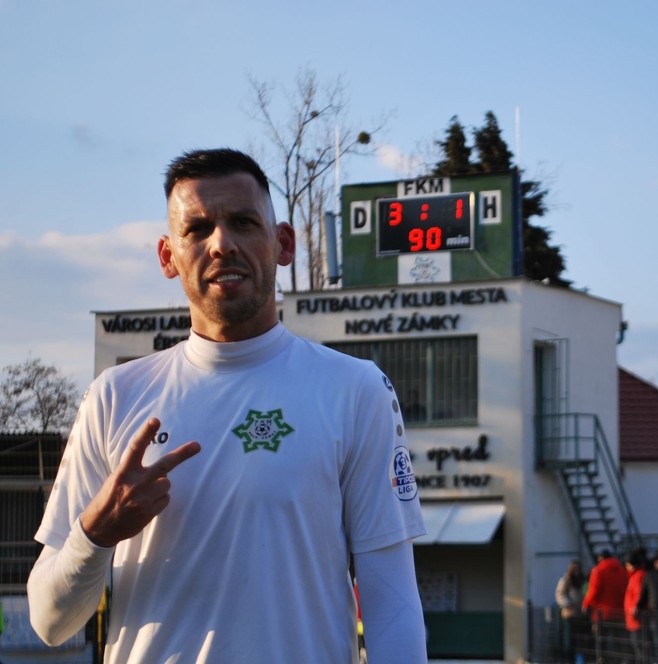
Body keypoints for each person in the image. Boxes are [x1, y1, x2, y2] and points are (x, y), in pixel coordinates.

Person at [26, 148, 428, 663]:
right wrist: (95, 533)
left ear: (282, 244)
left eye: (242, 222)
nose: (222, 244)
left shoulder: (354, 389)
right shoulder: (115, 396)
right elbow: (49, 622)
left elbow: (392, 602)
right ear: (168, 256)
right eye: (197, 229)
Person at [583, 549, 629, 660]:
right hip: (620, 612)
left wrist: (585, 604)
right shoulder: (623, 571)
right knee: (619, 641)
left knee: (601, 642)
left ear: (601, 558)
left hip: (602, 613)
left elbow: (593, 591)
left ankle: (604, 660)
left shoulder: (598, 570)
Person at [556, 559, 585, 662]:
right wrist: (567, 603)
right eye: (575, 569)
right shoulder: (565, 580)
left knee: (580, 640)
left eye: (578, 569)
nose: (577, 571)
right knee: (569, 640)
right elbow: (560, 594)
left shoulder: (582, 580)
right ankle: (568, 660)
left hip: (581, 614)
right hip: (569, 615)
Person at [624, 549, 649, 663]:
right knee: (638, 648)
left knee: (639, 648)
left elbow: (640, 595)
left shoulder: (637, 576)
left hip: (636, 619)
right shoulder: (636, 576)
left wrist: (634, 609)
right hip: (634, 619)